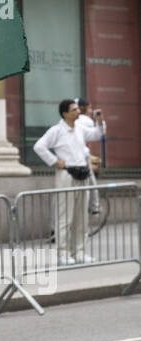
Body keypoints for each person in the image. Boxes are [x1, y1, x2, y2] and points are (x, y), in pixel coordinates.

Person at [33, 99, 100, 265]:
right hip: (66, 175)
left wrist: (99, 122)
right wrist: (55, 161)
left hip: (82, 174)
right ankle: (63, 253)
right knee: (65, 217)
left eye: (78, 109)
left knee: (81, 217)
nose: (78, 112)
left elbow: (97, 135)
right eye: (74, 110)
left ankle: (79, 252)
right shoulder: (56, 130)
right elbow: (39, 146)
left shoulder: (80, 129)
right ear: (65, 113)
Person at [77, 97, 106, 215]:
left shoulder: (74, 121)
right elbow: (95, 137)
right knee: (92, 182)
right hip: (82, 157)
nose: (91, 110)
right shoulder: (87, 121)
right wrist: (100, 121)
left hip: (76, 156)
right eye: (90, 107)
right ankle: (95, 207)